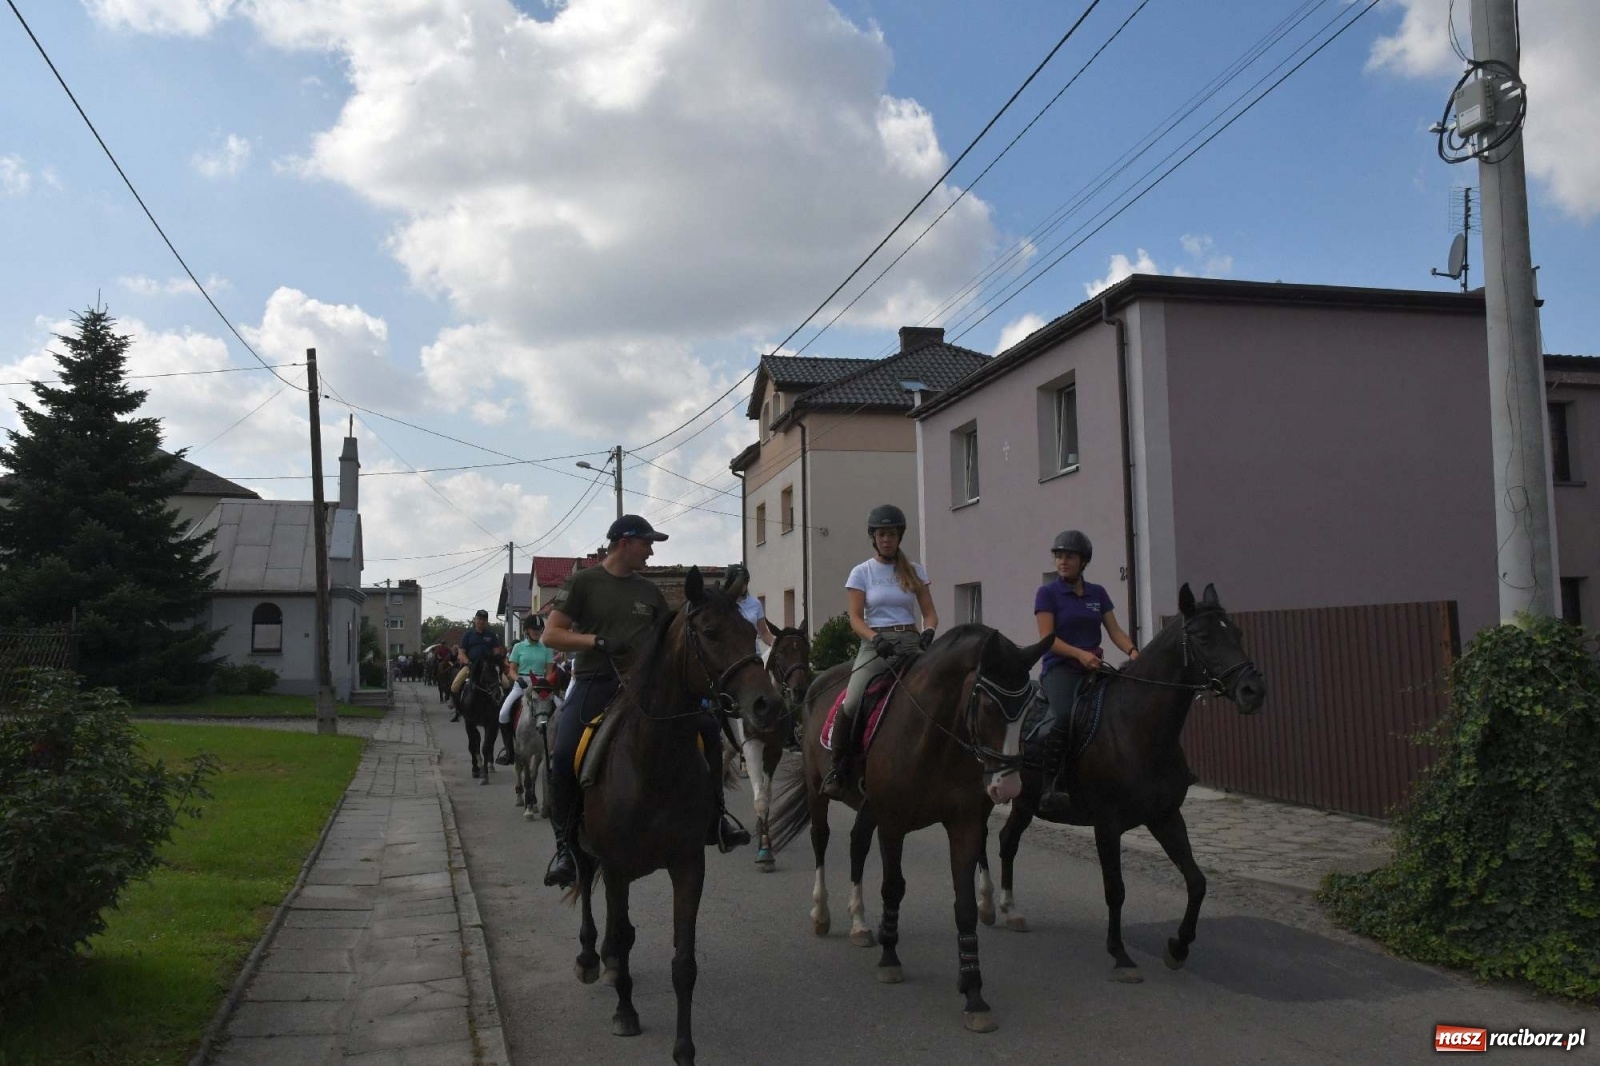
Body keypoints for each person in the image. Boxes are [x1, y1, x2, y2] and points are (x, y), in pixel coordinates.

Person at [540, 514, 750, 889]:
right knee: (564, 752)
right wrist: (595, 642)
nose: (651, 553)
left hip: (645, 686)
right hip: (596, 681)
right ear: (624, 543)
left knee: (707, 729)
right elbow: (551, 635)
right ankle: (565, 848)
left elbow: (671, 638)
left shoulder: (648, 592)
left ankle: (717, 818)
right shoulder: (583, 582)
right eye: (646, 544)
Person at [821, 503, 938, 800]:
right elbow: (855, 619)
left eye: (892, 534)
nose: (887, 539)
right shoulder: (862, 572)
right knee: (852, 701)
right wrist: (876, 639)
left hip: (911, 642)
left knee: (940, 691)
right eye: (882, 534)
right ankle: (838, 767)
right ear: (873, 537)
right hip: (876, 645)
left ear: (900, 537)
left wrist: (928, 632)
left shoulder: (915, 571)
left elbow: (929, 613)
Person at [1033, 529, 1138, 815]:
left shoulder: (1097, 593)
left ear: (1083, 561)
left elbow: (1115, 631)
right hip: (1060, 669)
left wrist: (1133, 652)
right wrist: (1079, 654)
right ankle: (1051, 786)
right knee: (1063, 717)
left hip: (1093, 669)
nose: (1062, 561)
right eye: (1058, 556)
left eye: (1069, 556)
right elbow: (1047, 639)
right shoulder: (1047, 593)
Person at [495, 614, 554, 763]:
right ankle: (509, 752)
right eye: (534, 629)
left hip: (540, 686)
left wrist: (545, 684)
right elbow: (512, 670)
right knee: (503, 714)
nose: (537, 632)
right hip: (521, 685)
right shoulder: (518, 647)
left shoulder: (546, 649)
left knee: (560, 709)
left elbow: (549, 672)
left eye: (539, 629)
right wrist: (518, 679)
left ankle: (555, 747)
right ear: (526, 630)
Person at [723, 563, 778, 656]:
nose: (742, 586)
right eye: (739, 583)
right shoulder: (722, 604)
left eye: (745, 583)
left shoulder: (755, 603)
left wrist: (777, 644)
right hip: (730, 656)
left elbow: (764, 632)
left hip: (753, 655)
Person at [452, 610, 504, 696]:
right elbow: (461, 653)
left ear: (487, 621)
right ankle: (457, 702)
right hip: (471, 665)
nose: (481, 621)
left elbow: (496, 651)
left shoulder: (492, 635)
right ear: (475, 620)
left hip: (489, 666)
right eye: (479, 619)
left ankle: (503, 702)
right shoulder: (468, 635)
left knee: (506, 683)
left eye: (484, 619)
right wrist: (468, 663)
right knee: (455, 686)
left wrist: (496, 660)